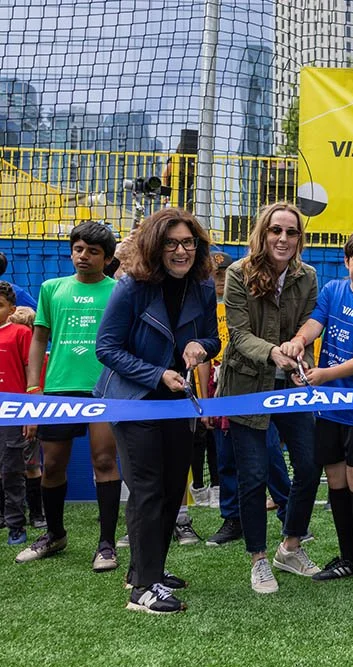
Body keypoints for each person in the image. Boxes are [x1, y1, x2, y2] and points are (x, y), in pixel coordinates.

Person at [94, 207, 220, 614]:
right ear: (154, 246)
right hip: (134, 399)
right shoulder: (131, 286)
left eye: (188, 243)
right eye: (171, 243)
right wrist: (156, 374)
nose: (181, 251)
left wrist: (201, 347)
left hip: (177, 400)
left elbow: (212, 339)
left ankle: (149, 569)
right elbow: (106, 348)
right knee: (147, 490)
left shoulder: (202, 285)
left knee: (170, 487)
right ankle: (143, 590)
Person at [216, 202, 322, 594]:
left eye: (291, 232)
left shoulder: (307, 276)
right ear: (263, 233)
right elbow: (238, 334)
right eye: (276, 230)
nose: (283, 238)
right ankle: (258, 559)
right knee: (254, 474)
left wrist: (300, 356)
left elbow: (306, 328)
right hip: (247, 385)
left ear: (299, 238)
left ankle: (290, 546)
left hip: (291, 385)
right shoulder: (238, 272)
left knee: (309, 464)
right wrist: (274, 353)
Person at [285, 229, 353, 594]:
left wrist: (322, 375)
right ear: (347, 260)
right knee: (335, 479)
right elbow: (315, 322)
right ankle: (348, 557)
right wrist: (299, 341)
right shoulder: (333, 290)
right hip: (328, 408)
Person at [16, 222, 122, 572]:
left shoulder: (119, 291)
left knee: (104, 462)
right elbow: (39, 339)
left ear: (107, 258)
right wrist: (34, 390)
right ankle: (55, 534)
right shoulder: (52, 288)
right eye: (78, 249)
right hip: (58, 389)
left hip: (104, 388)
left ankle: (106, 545)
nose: (83, 256)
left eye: (93, 251)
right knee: (52, 466)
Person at [201, 252, 292, 548]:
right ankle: (232, 518)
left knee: (269, 451)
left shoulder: (253, 298)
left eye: (223, 274)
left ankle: (288, 513)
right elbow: (205, 353)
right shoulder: (205, 307)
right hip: (222, 387)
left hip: (256, 385)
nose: (219, 280)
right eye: (215, 275)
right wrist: (205, 397)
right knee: (226, 455)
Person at [0, 281, 32, 546]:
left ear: (11, 309)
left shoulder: (21, 333)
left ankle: (16, 525)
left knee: (12, 470)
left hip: (13, 415)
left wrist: (31, 414)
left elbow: (32, 373)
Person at [8, 306, 45, 529]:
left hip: (27, 415)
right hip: (13, 415)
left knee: (31, 464)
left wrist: (32, 415)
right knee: (13, 466)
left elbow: (38, 386)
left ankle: (36, 513)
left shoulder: (39, 360)